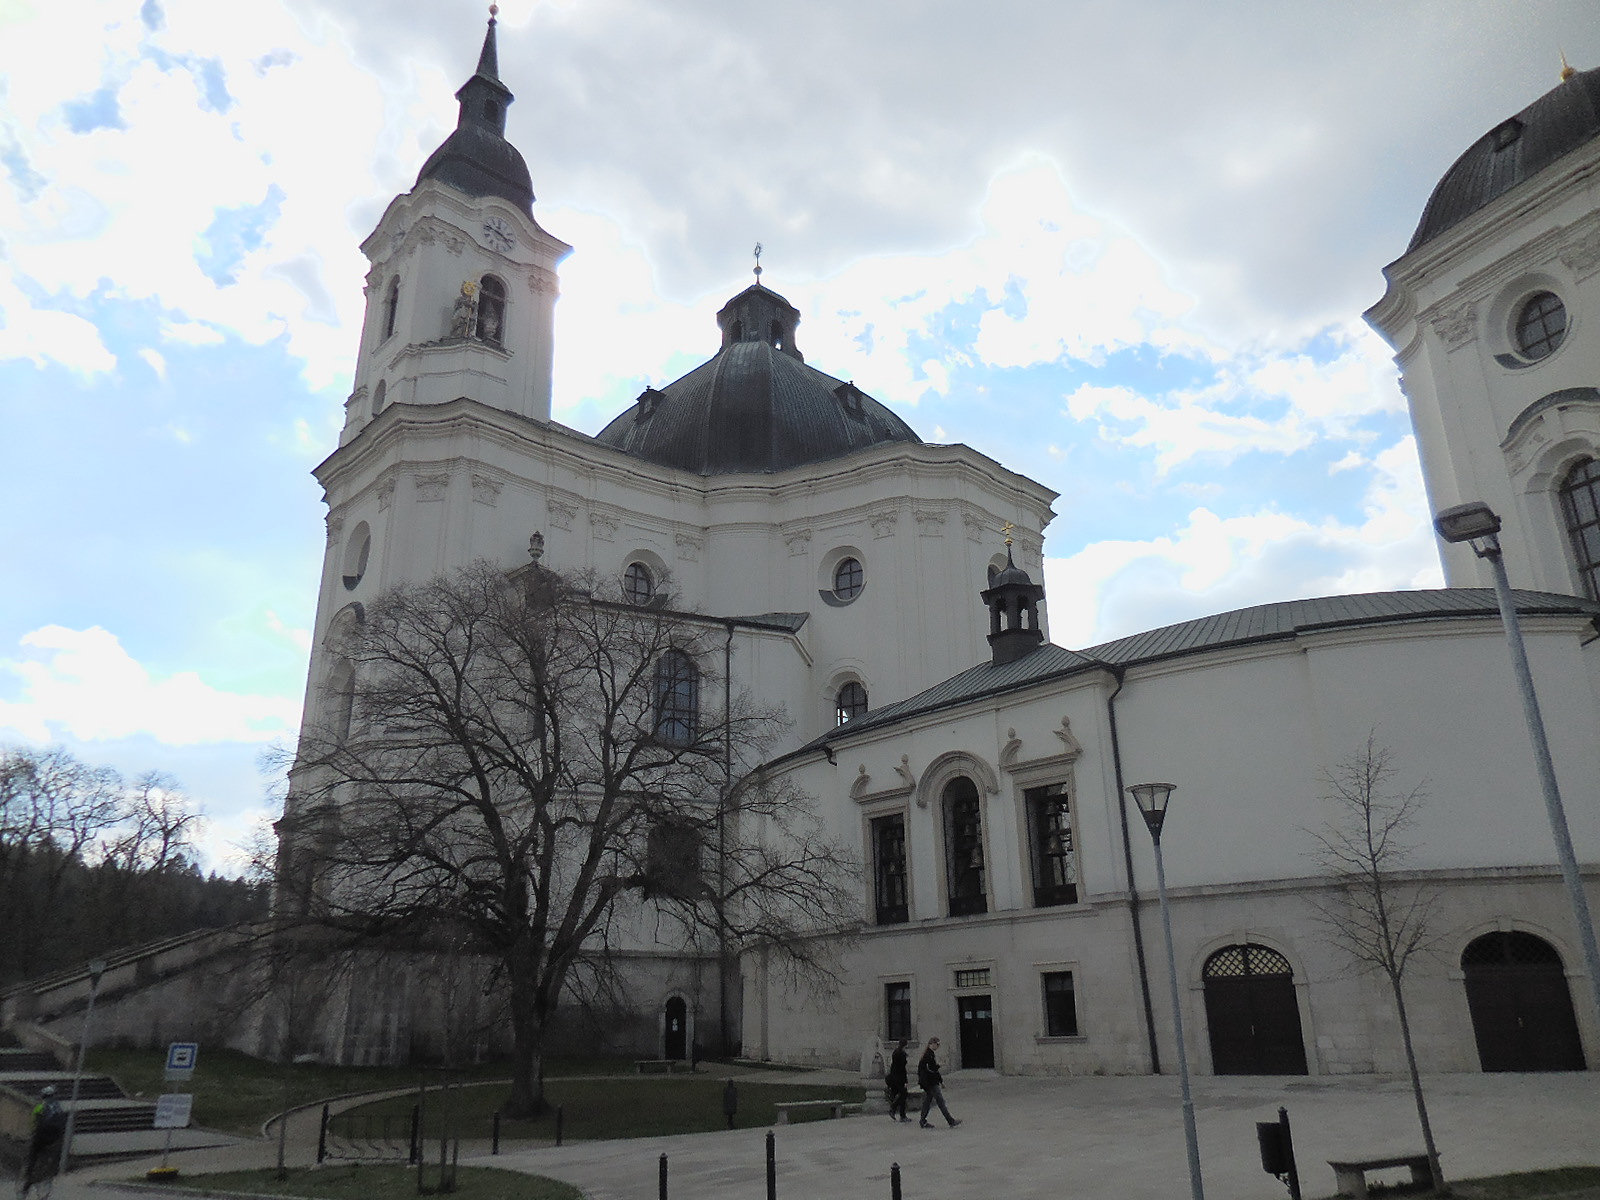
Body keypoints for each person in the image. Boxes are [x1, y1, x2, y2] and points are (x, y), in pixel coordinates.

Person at [23, 1085, 65, 1194]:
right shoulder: (58, 1107)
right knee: (50, 1153)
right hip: (55, 1137)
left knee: (33, 1155)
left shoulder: (40, 1107)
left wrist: (32, 1134)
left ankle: (27, 1181)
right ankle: (48, 1172)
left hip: (41, 1136)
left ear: (43, 1096)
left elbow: (34, 1123)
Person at [916, 1037, 960, 1129]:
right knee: (940, 1101)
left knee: (927, 1101)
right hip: (930, 1082)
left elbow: (932, 1070)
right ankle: (950, 1121)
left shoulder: (929, 1054)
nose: (938, 1047)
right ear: (932, 1044)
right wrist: (939, 1066)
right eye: (937, 1044)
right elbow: (931, 1069)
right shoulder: (928, 1055)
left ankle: (923, 1121)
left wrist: (940, 1080)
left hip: (929, 1082)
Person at [885, 1039, 909, 1122]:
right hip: (899, 1078)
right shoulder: (902, 1054)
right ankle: (895, 1110)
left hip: (894, 1076)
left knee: (901, 1095)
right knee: (903, 1094)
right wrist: (905, 1081)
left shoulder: (895, 1052)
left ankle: (900, 1113)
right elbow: (902, 1069)